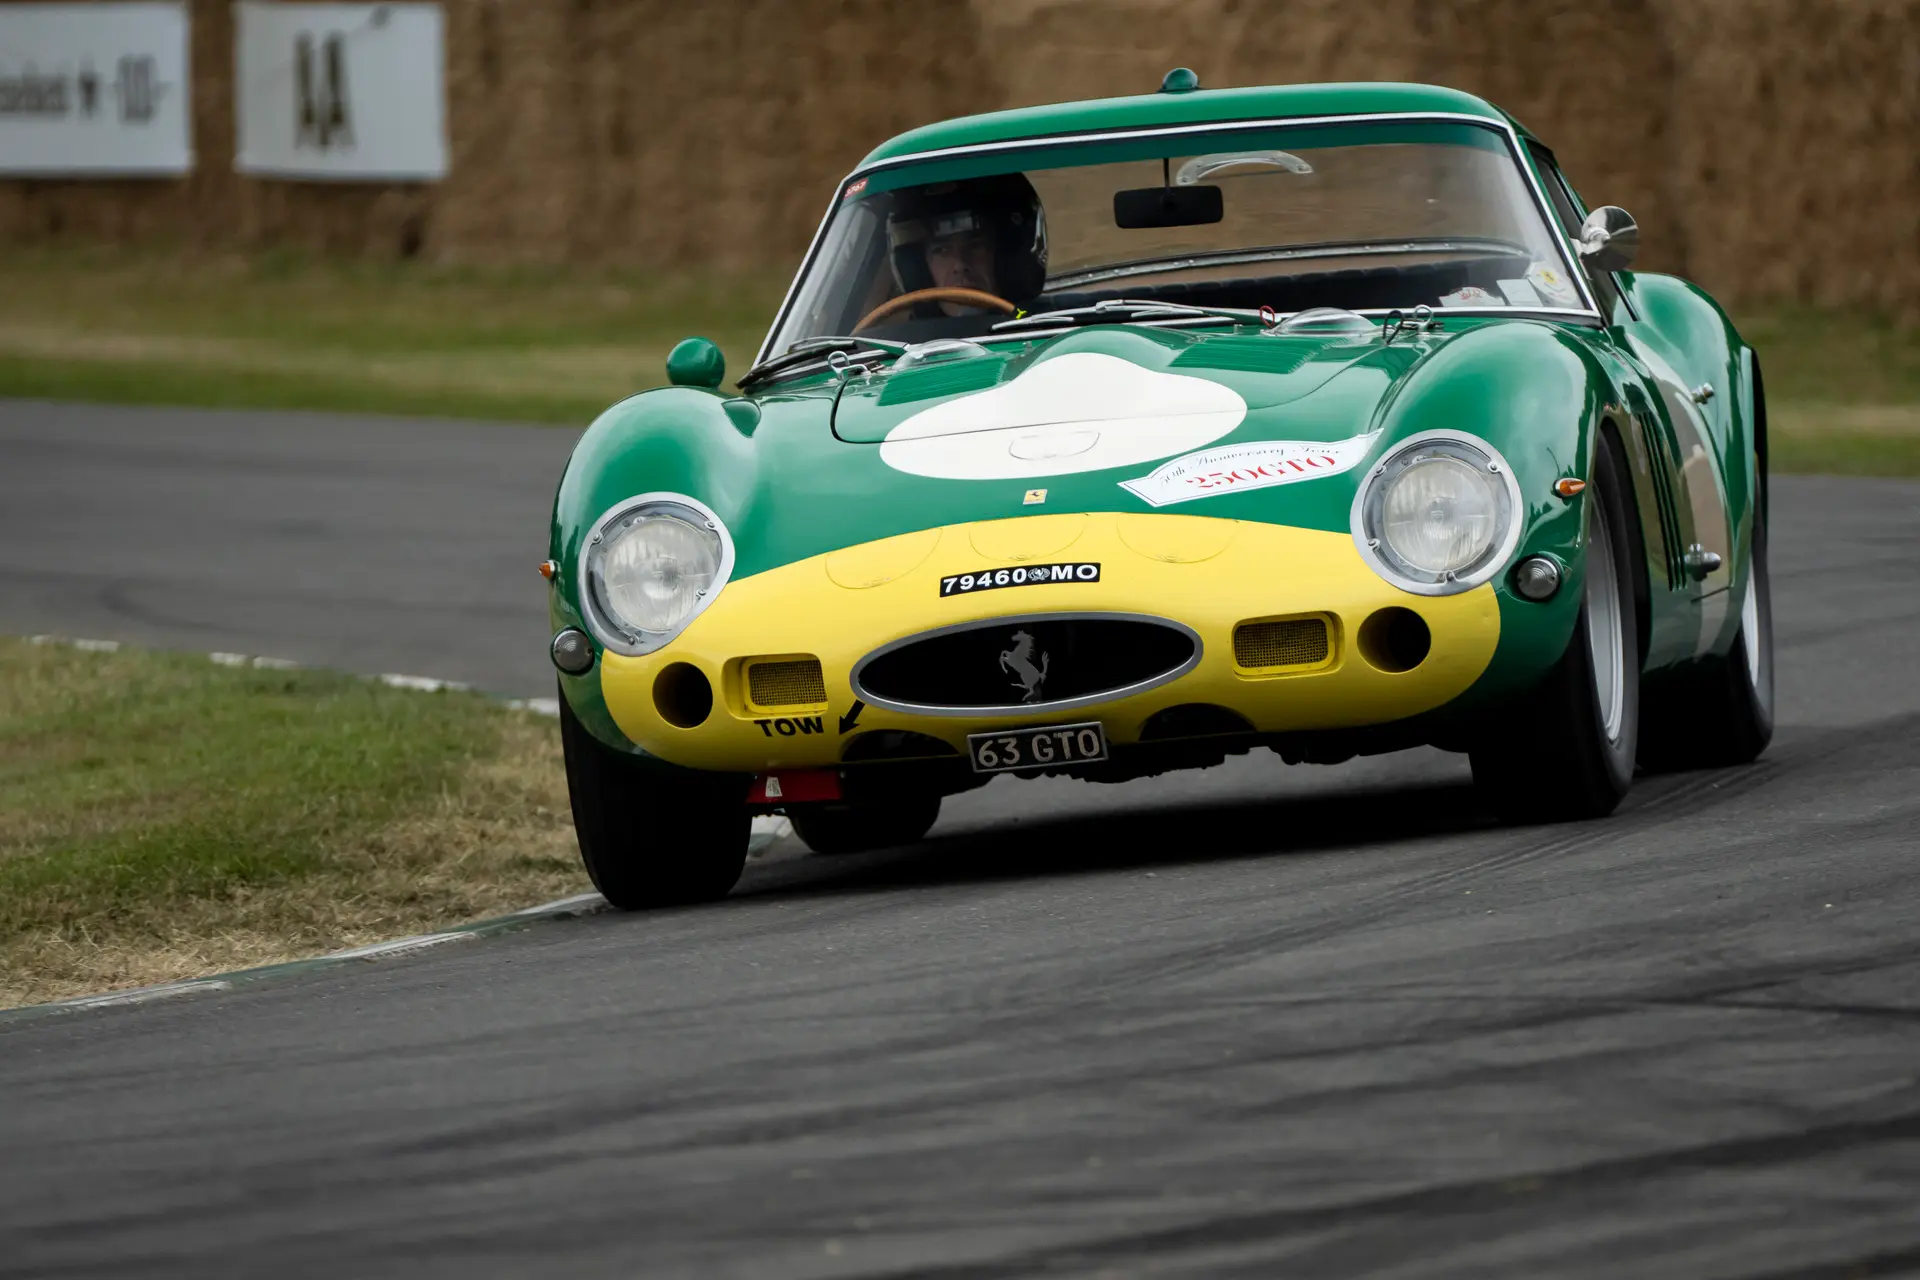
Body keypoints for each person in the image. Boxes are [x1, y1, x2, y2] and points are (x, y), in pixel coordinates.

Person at [885, 174, 1048, 317]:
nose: (960, 264)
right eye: (942, 250)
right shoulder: (901, 343)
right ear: (921, 268)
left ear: (1005, 254)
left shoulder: (1041, 324)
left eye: (975, 245)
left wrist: (1022, 319)